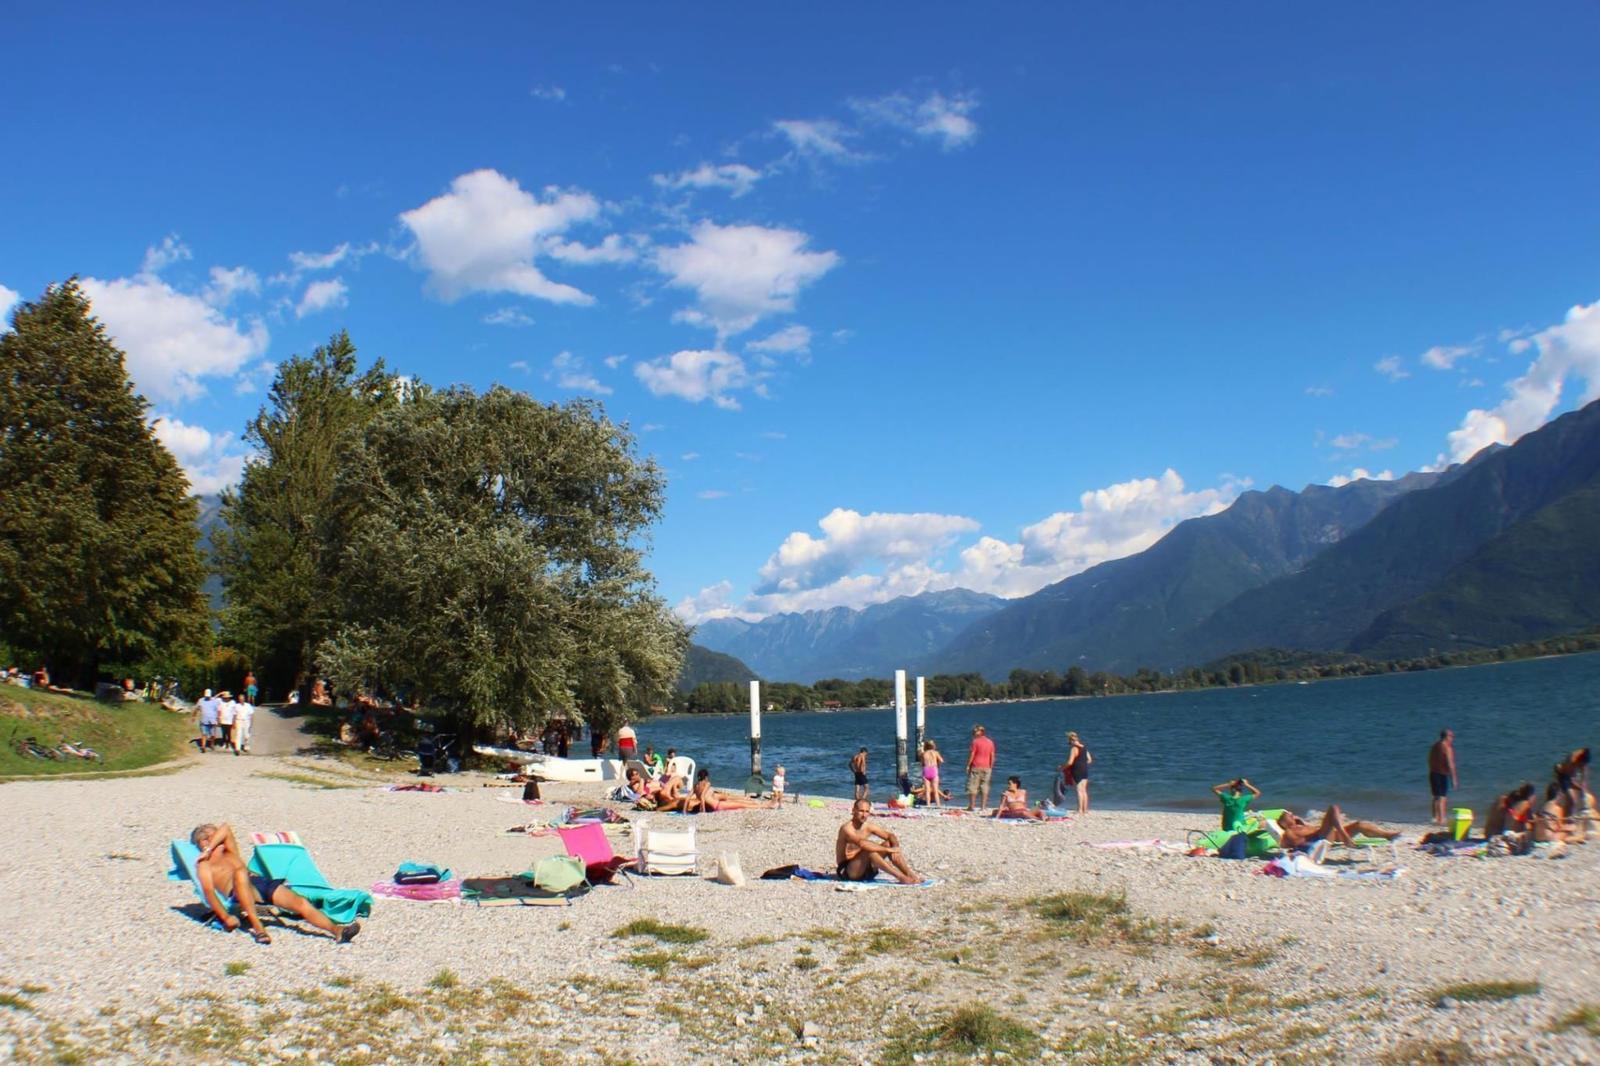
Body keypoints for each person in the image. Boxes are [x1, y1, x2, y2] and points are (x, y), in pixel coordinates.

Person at [189, 823, 359, 945]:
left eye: (214, 836)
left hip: (259, 883)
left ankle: (338, 931)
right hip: (236, 892)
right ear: (200, 843)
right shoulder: (204, 865)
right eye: (207, 838)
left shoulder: (229, 851)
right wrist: (226, 918)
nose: (214, 839)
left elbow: (225, 828)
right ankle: (258, 927)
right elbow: (209, 893)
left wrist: (210, 846)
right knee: (241, 873)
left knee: (300, 903)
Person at [836, 798, 922, 883]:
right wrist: (888, 850)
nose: (864, 815)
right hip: (848, 871)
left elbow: (890, 835)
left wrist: (895, 847)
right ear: (853, 810)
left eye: (867, 811)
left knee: (889, 843)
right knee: (869, 850)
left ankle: (910, 874)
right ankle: (900, 877)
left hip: (866, 869)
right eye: (861, 811)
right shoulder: (847, 828)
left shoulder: (868, 826)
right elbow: (862, 844)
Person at [1278, 807, 1399, 850]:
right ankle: (1345, 837)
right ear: (1284, 823)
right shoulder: (1289, 832)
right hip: (1321, 839)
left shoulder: (1300, 826)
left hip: (1331, 835)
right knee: (1333, 809)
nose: (1292, 814)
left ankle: (1387, 835)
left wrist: (1301, 824)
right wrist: (1308, 846)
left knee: (1359, 824)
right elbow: (1289, 844)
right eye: (1289, 815)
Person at [683, 769, 765, 813]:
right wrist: (703, 811)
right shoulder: (707, 783)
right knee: (742, 805)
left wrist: (684, 811)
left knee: (741, 804)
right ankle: (765, 806)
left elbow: (687, 798)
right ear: (706, 777)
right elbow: (702, 797)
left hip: (715, 806)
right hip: (718, 805)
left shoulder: (695, 786)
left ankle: (760, 804)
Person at [1428, 729, 1458, 827]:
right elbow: (1450, 764)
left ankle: (1434, 818)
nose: (1453, 739)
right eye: (1452, 736)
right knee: (1442, 797)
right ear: (1447, 736)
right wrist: (1453, 779)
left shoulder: (1435, 746)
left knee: (1436, 796)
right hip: (1441, 774)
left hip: (1433, 772)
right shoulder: (1447, 747)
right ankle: (1441, 819)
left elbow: (1430, 759)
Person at [965, 725, 996, 812]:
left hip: (976, 765)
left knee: (973, 786)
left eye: (975, 732)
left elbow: (972, 754)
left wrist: (968, 765)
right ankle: (983, 807)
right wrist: (991, 766)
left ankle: (972, 806)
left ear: (980, 732)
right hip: (987, 767)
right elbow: (992, 755)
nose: (973, 733)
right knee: (984, 787)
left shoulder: (975, 742)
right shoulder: (990, 742)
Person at [1066, 732, 1092, 815]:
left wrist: (1061, 767)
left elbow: (1070, 762)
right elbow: (1089, 760)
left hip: (1077, 770)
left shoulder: (1074, 749)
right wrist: (1082, 763)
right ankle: (1085, 810)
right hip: (1085, 770)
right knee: (1084, 790)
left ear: (1071, 740)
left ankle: (1080, 810)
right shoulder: (1084, 748)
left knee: (1079, 790)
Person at [918, 740, 944, 807]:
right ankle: (938, 805)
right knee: (935, 789)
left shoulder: (923, 753)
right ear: (933, 746)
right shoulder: (935, 753)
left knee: (927, 790)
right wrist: (938, 764)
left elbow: (922, 763)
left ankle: (928, 804)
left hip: (926, 770)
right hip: (934, 769)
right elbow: (941, 760)